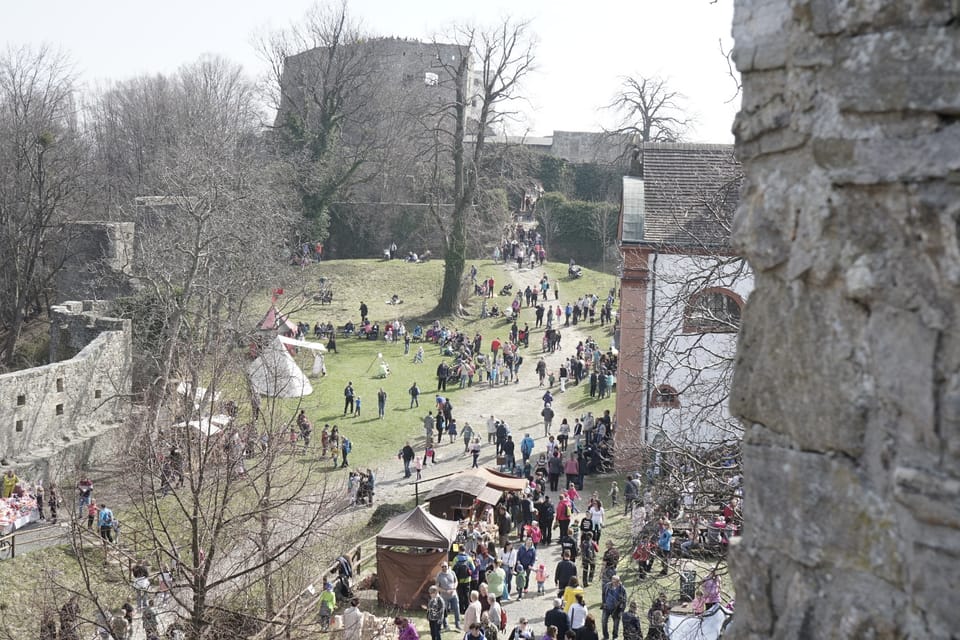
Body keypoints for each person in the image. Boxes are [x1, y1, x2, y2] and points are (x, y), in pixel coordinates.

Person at [437, 561, 462, 631]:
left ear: (447, 566)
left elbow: (456, 581)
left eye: (445, 566)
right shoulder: (439, 575)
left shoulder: (452, 572)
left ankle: (458, 625)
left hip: (454, 595)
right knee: (444, 611)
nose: (444, 568)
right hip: (444, 596)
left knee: (457, 609)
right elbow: (437, 587)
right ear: (441, 567)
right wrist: (445, 591)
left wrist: (454, 588)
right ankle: (446, 626)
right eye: (443, 567)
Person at [601, 575, 627, 640]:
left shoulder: (622, 589)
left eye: (616, 582)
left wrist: (621, 611)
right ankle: (605, 636)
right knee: (604, 621)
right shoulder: (607, 586)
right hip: (607, 607)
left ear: (619, 582)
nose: (614, 583)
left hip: (616, 609)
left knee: (616, 624)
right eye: (613, 581)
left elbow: (624, 601)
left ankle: (615, 637)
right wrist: (604, 602)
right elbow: (603, 594)